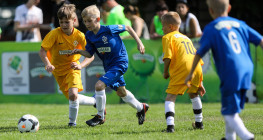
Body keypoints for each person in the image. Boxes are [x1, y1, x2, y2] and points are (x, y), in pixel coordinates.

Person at [185, 0, 263, 139]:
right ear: (230, 8)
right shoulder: (240, 24)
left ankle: (247, 136)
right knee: (232, 108)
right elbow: (261, 40)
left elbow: (199, 53)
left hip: (231, 70)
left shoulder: (212, 28)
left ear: (211, 11)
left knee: (228, 113)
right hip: (247, 69)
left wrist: (190, 74)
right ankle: (229, 137)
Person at [71, 5, 149, 127]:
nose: (87, 24)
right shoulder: (89, 36)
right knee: (121, 92)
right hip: (108, 66)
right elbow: (89, 54)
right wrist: (79, 51)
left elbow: (128, 27)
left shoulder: (108, 29)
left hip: (120, 63)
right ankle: (141, 107)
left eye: (89, 21)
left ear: (97, 19)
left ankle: (100, 116)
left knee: (99, 85)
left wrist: (140, 43)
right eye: (85, 21)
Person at [39, 4, 97, 127]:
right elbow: (42, 51)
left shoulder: (80, 36)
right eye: (61, 22)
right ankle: (95, 101)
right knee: (73, 98)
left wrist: (81, 65)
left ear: (74, 20)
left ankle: (72, 123)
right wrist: (48, 64)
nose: (64, 25)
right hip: (58, 72)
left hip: (73, 68)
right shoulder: (54, 34)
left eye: (67, 22)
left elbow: (91, 55)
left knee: (73, 95)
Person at [161, 11, 205, 133]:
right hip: (196, 68)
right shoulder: (186, 37)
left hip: (183, 68)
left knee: (170, 97)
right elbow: (196, 56)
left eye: (163, 25)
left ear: (170, 27)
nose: (161, 28)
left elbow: (167, 57)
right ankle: (199, 123)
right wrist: (200, 81)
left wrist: (165, 72)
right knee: (194, 94)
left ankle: (170, 127)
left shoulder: (167, 37)